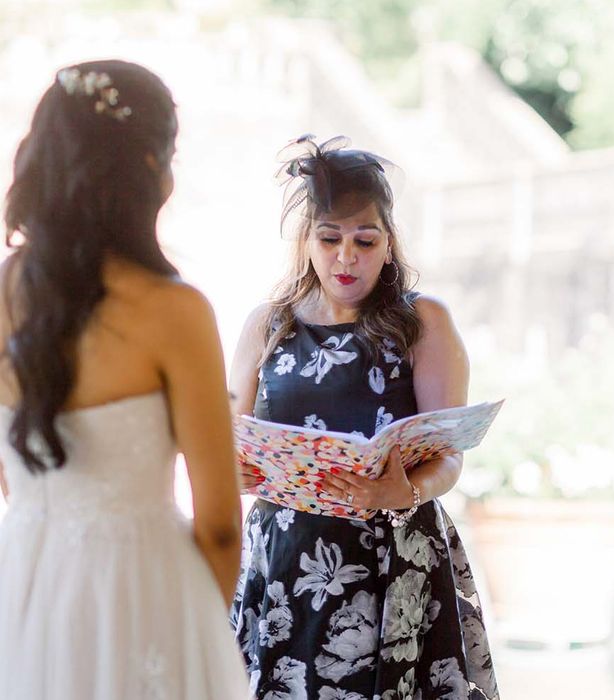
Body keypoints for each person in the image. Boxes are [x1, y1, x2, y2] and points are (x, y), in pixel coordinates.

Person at [0, 60, 249, 699]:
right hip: (143, 594)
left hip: (23, 588)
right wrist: (193, 636)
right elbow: (220, 522)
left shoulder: (3, 293)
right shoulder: (174, 310)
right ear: (148, 167)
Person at [229, 134, 499, 699]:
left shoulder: (423, 322)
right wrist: (238, 472)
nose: (346, 257)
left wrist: (404, 493)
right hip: (284, 562)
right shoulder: (266, 325)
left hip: (395, 556)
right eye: (329, 239)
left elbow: (450, 455)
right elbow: (233, 439)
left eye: (364, 240)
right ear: (306, 240)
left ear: (389, 243)